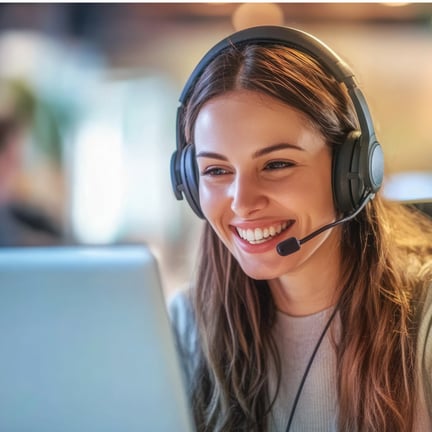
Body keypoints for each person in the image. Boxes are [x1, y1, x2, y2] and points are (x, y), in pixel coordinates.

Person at [169, 25, 432, 432]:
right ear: (189, 182)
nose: (241, 202)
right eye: (216, 170)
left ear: (352, 171)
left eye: (276, 165)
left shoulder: (425, 322)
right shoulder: (185, 328)